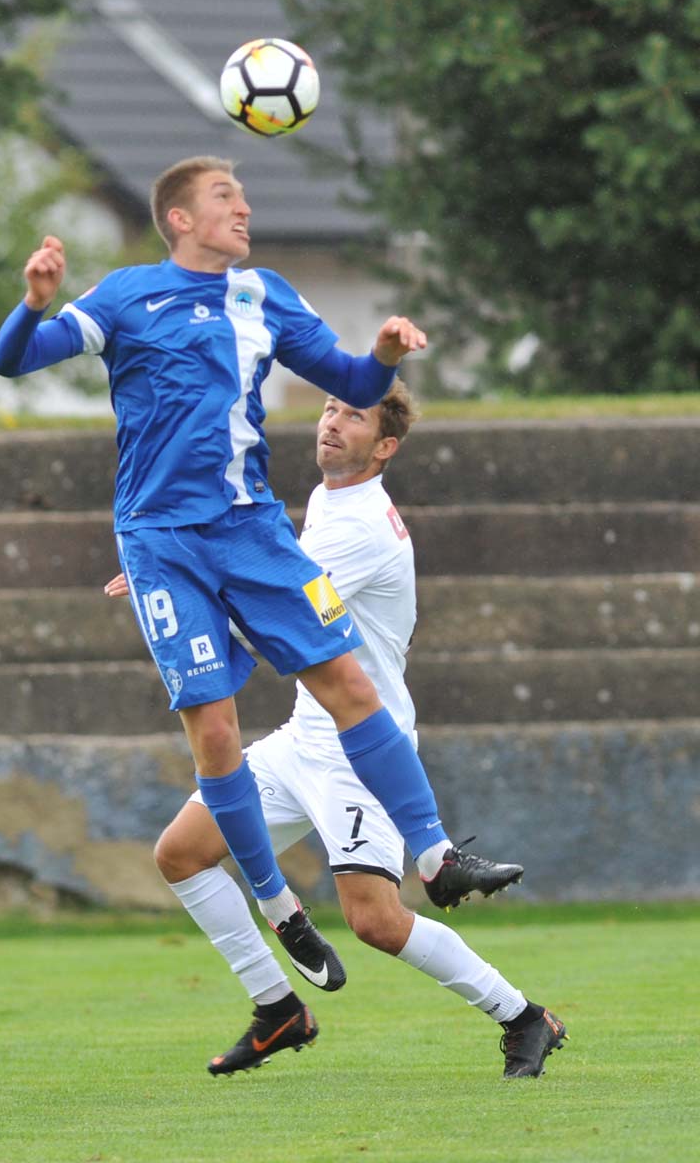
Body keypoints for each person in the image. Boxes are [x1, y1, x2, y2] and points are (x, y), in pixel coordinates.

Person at [0, 155, 522, 990]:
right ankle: (280, 907)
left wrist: (383, 353)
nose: (243, 209)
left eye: (241, 196)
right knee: (215, 736)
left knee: (350, 685)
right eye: (224, 197)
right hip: (162, 539)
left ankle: (436, 855)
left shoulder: (264, 294)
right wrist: (34, 302)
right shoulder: (127, 296)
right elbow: (11, 361)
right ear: (179, 219)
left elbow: (353, 380)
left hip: (250, 530)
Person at [106, 379, 568, 1080]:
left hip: (362, 752)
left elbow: (270, 622)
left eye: (354, 417)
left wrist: (168, 580)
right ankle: (278, 1009)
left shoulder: (359, 526)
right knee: (180, 854)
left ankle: (525, 1018)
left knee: (375, 921)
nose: (332, 423)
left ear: (385, 448)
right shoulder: (330, 500)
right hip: (305, 737)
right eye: (330, 409)